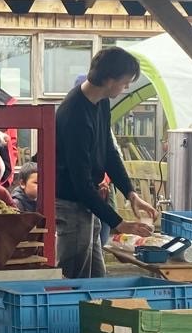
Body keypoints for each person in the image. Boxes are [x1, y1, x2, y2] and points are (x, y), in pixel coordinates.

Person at [56, 47, 156, 278]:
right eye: (125, 82)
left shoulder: (100, 102)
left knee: (97, 274)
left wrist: (131, 193)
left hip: (88, 201)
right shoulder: (74, 115)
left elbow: (109, 152)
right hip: (71, 202)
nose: (126, 88)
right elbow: (80, 183)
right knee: (75, 276)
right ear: (109, 80)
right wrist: (119, 223)